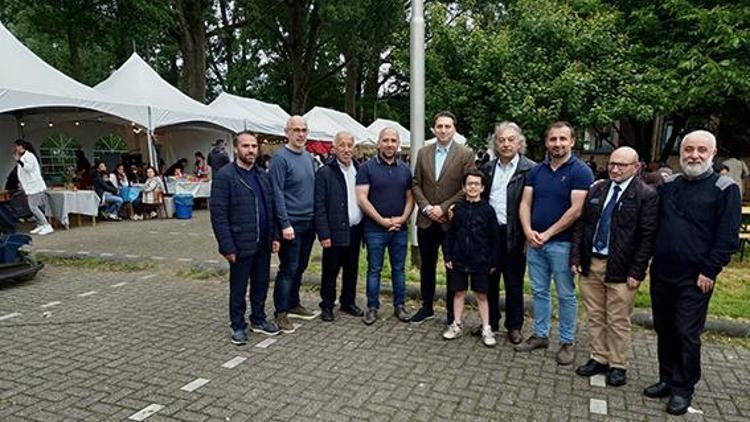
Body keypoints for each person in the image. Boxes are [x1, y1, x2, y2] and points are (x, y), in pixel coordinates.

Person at [643, 130, 741, 415]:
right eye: (689, 150)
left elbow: (727, 238)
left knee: (687, 332)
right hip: (662, 271)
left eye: (701, 150)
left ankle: (683, 389)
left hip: (696, 276)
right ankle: (666, 379)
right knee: (664, 328)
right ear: (682, 152)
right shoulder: (669, 185)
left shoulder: (725, 188)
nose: (694, 155)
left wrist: (710, 270)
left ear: (712, 153)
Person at [570, 147, 658, 387]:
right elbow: (582, 226)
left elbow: (647, 237)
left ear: (636, 167)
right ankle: (598, 357)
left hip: (621, 268)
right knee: (596, 315)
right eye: (612, 164)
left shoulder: (645, 195)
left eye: (622, 165)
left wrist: (637, 271)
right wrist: (576, 257)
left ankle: (618, 364)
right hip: (592, 263)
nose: (615, 169)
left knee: (618, 319)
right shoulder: (597, 189)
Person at [516, 121, 594, 365]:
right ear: (547, 142)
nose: (557, 144)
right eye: (553, 139)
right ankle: (540, 335)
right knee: (539, 291)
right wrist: (528, 231)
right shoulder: (536, 171)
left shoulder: (580, 171)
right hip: (535, 243)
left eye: (563, 139)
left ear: (572, 141)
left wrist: (547, 233)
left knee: (565, 294)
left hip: (562, 244)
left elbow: (576, 210)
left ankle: (567, 342)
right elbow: (525, 203)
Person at [210, 131, 281, 345]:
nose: (250, 150)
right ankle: (238, 326)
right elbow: (219, 214)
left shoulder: (262, 175)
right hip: (240, 243)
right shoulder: (225, 176)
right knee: (239, 287)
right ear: (235, 148)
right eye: (245, 146)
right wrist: (227, 246)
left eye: (253, 146)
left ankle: (258, 319)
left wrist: (275, 235)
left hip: (263, 242)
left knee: (261, 284)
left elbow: (271, 207)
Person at [410, 111, 475, 325]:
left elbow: (467, 187)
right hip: (427, 220)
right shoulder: (423, 153)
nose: (444, 130)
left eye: (448, 126)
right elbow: (416, 183)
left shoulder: (465, 154)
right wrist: (427, 207)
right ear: (433, 129)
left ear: (454, 129)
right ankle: (426, 307)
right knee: (426, 266)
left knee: (452, 268)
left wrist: (443, 207)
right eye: (440, 126)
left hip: (451, 221)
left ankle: (451, 313)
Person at [479, 122, 535, 344]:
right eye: (501, 140)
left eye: (511, 139)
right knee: (489, 281)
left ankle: (514, 326)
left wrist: (527, 234)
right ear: (495, 143)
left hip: (516, 234)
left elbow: (533, 204)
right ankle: (490, 322)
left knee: (513, 283)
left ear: (519, 143)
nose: (506, 144)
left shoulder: (530, 169)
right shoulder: (487, 169)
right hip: (491, 235)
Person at [356, 127, 414, 325]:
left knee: (399, 269)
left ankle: (400, 306)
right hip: (374, 229)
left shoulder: (405, 169)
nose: (389, 144)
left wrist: (402, 218)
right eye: (386, 140)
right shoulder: (367, 168)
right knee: (374, 269)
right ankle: (372, 307)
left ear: (398, 144)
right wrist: (381, 220)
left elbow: (410, 198)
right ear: (378, 143)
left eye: (393, 141)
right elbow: (362, 198)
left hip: (399, 229)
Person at [270, 115, 318, 333]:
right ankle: (281, 312)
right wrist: (285, 223)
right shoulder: (280, 158)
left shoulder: (308, 157)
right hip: (292, 224)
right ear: (286, 132)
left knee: (300, 266)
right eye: (296, 129)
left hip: (309, 222)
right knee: (288, 269)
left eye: (304, 130)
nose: (300, 134)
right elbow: (277, 193)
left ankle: (294, 303)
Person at [442, 169, 499, 347]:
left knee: (482, 295)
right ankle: (456, 324)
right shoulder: (457, 209)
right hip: (459, 259)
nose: (472, 187)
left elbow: (494, 238)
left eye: (476, 184)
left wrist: (493, 260)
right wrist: (448, 255)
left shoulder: (488, 210)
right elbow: (450, 234)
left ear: (482, 188)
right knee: (458, 292)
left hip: (481, 261)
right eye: (469, 184)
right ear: (463, 187)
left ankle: (487, 327)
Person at [314, 131, 365, 322]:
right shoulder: (325, 172)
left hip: (355, 229)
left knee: (351, 268)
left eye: (349, 145)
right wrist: (324, 234)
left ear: (354, 148)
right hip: (334, 230)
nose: (346, 149)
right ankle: (327, 305)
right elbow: (318, 205)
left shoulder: (360, 170)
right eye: (341, 145)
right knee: (330, 270)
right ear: (334, 148)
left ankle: (348, 301)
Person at [13, 140, 53, 235]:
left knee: (33, 207)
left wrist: (18, 160)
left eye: (16, 146)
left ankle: (46, 225)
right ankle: (40, 224)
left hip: (35, 186)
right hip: (30, 187)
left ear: (21, 146)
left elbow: (28, 168)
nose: (15, 149)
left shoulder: (29, 156)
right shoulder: (24, 157)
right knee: (34, 207)